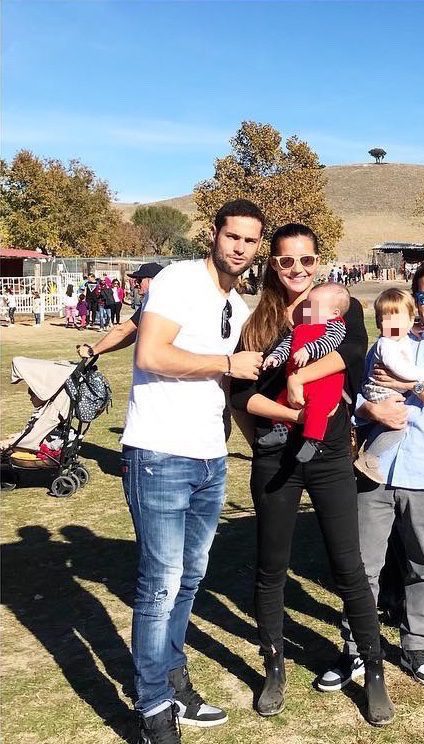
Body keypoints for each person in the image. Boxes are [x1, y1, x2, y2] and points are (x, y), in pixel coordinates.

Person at [229, 223, 394, 726]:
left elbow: (350, 360)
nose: (297, 269)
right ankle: (274, 667)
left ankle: (375, 672)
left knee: (349, 565)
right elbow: (241, 396)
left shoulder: (342, 310)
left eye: (305, 260)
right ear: (272, 264)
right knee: (270, 565)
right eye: (285, 261)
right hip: (276, 457)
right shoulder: (256, 323)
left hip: (327, 455)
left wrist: (301, 376)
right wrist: (287, 421)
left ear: (318, 261)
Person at [121, 200, 265, 744]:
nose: (240, 248)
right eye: (233, 237)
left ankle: (172, 677)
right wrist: (226, 363)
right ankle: (152, 707)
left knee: (189, 579)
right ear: (215, 234)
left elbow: (230, 392)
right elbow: (152, 355)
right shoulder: (179, 280)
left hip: (211, 457)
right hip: (160, 454)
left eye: (250, 242)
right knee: (159, 585)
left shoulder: (238, 305)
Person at [323, 260, 424, 689]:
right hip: (375, 472)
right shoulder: (391, 341)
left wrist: (412, 387)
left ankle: (415, 644)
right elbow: (359, 398)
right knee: (363, 566)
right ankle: (356, 648)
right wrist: (371, 407)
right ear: (415, 302)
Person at [255, 282, 350, 462]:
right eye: (307, 304)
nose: (307, 309)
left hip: (324, 382)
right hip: (296, 380)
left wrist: (308, 350)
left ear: (334, 313)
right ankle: (281, 430)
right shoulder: (300, 328)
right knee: (282, 400)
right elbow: (286, 345)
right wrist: (276, 357)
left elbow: (330, 342)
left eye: (313, 306)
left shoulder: (335, 326)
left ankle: (313, 440)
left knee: (318, 408)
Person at [354, 289, 424, 482]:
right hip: (380, 390)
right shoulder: (386, 344)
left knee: (391, 422)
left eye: (400, 321)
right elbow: (400, 369)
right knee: (398, 424)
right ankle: (369, 457)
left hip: (388, 389)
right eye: (387, 321)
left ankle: (367, 452)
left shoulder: (401, 338)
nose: (394, 326)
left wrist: (414, 329)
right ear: (379, 324)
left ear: (409, 321)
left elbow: (408, 334)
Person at [77, 263, 166, 360]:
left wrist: (92, 350)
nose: (136, 283)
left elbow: (123, 331)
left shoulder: (158, 301)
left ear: (154, 280)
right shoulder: (154, 300)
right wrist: (97, 348)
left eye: (139, 280)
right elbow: (130, 336)